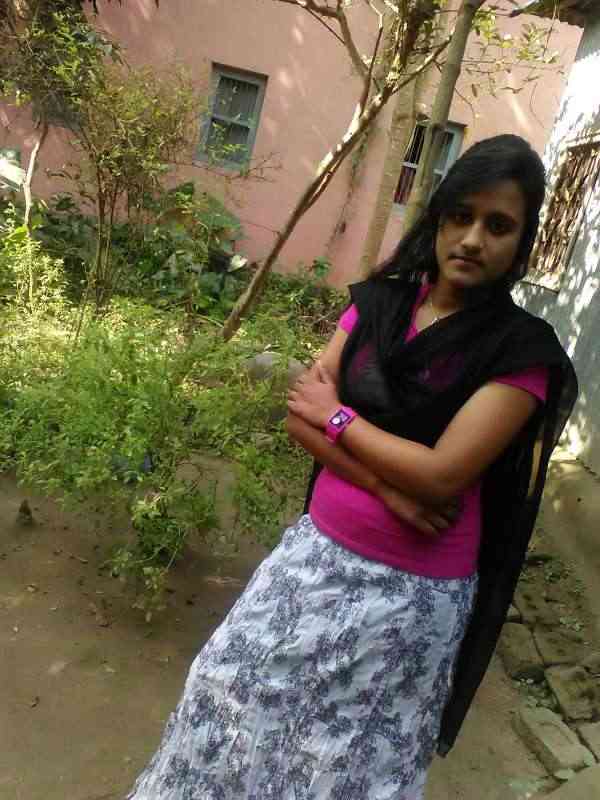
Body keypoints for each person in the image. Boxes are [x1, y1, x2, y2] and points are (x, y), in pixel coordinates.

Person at [125, 135, 577, 800]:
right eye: (461, 216)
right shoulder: (379, 305)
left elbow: (441, 475)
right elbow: (298, 418)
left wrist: (338, 417)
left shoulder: (521, 352)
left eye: (498, 225)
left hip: (410, 603)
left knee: (345, 767)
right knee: (223, 693)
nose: (473, 239)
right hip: (312, 558)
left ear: (522, 240)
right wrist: (384, 489)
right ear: (438, 217)